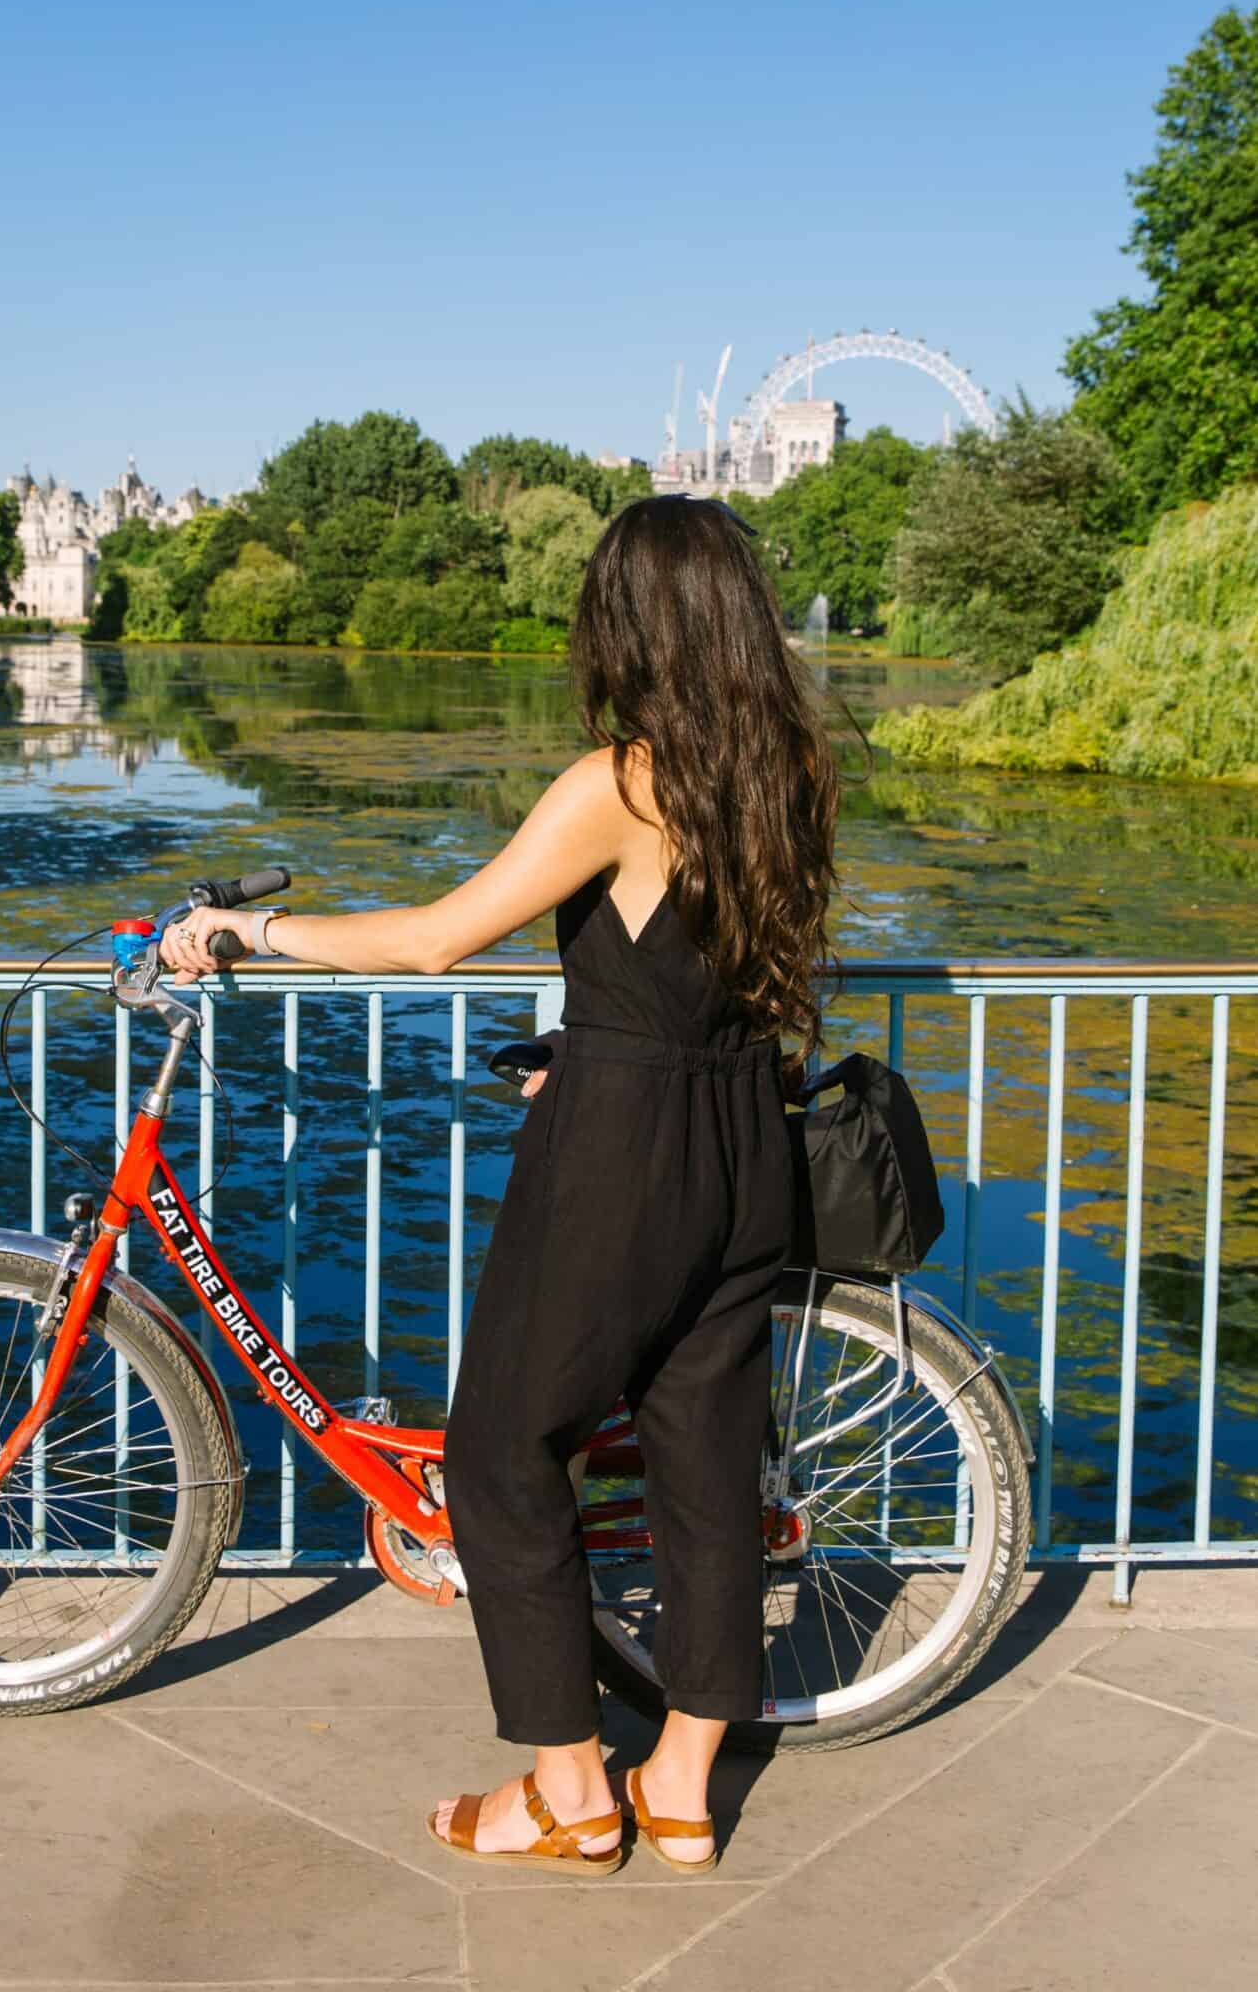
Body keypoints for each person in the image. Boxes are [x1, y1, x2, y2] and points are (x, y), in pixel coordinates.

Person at [160, 496, 840, 1877]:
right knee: (707, 1460)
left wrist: (250, 926)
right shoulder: (786, 773)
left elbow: (433, 940)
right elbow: (703, 978)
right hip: (742, 1136)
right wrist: (582, 1046)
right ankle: (686, 1789)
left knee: (499, 1448)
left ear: (629, 623)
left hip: (623, 1154)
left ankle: (569, 1789)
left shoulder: (622, 780)